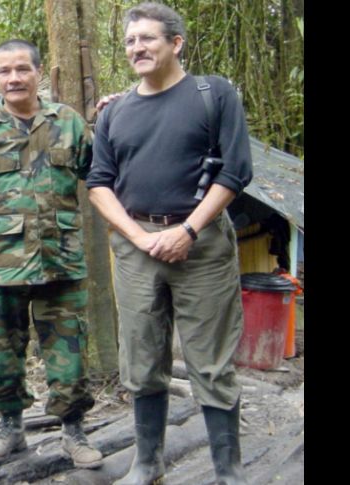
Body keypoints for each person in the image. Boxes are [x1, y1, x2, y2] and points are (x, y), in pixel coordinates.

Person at [86, 3, 253, 484]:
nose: (137, 48)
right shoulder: (116, 111)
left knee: (211, 360)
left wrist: (188, 231)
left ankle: (227, 471)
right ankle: (147, 461)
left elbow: (235, 170)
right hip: (136, 248)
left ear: (175, 43)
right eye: (130, 41)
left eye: (147, 38)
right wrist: (139, 236)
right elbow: (99, 183)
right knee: (141, 357)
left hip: (202, 245)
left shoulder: (213, 94)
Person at [0, 39, 102, 469]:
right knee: (3, 353)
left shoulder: (69, 123)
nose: (14, 78)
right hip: (1, 263)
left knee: (70, 354)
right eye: (5, 71)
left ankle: (73, 430)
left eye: (22, 69)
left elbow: (101, 175)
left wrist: (113, 119)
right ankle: (10, 429)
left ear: (38, 72)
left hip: (61, 261)